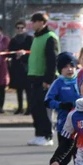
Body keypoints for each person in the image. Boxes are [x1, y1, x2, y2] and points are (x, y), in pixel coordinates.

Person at [45, 52, 81, 165]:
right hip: (64, 125)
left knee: (80, 155)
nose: (69, 69)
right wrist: (61, 105)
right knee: (65, 154)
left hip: (82, 125)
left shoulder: (81, 80)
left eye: (72, 66)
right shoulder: (58, 83)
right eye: (65, 67)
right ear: (60, 69)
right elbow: (47, 101)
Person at [25, 12, 59, 146]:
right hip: (34, 77)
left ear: (42, 22)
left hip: (44, 80)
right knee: (35, 108)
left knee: (44, 110)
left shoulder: (50, 37)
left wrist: (48, 80)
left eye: (34, 22)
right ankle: (38, 134)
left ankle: (47, 136)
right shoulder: (37, 37)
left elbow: (52, 61)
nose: (32, 24)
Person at [7, 20, 33, 115]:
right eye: (18, 28)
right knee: (18, 89)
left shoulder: (30, 39)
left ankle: (29, 108)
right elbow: (9, 53)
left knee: (28, 89)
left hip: (27, 67)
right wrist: (16, 56)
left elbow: (33, 53)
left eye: (22, 28)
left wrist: (24, 55)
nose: (20, 29)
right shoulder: (13, 40)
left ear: (25, 28)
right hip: (17, 67)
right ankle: (20, 107)